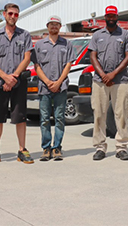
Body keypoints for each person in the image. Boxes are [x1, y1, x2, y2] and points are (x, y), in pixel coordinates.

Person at [0, 3, 34, 165]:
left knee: (20, 117)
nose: (13, 16)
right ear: (4, 14)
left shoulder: (24, 35)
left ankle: (22, 150)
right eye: (10, 13)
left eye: (16, 14)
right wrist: (5, 77)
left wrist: (14, 77)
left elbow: (27, 58)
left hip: (18, 83)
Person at [88, 5, 128, 161]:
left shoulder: (125, 34)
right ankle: (100, 147)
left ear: (117, 17)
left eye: (113, 16)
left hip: (120, 80)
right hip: (99, 81)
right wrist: (103, 74)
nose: (111, 18)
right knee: (99, 114)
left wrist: (113, 73)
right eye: (108, 16)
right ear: (105, 17)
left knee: (121, 113)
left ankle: (121, 147)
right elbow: (93, 56)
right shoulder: (97, 35)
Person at [32, 16, 76, 161]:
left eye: (56, 25)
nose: (54, 27)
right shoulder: (39, 45)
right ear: (47, 26)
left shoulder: (67, 44)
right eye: (51, 24)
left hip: (61, 87)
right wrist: (47, 81)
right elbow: (37, 66)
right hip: (44, 88)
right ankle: (46, 148)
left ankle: (57, 147)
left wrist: (58, 82)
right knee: (44, 119)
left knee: (59, 118)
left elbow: (68, 65)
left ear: (60, 27)